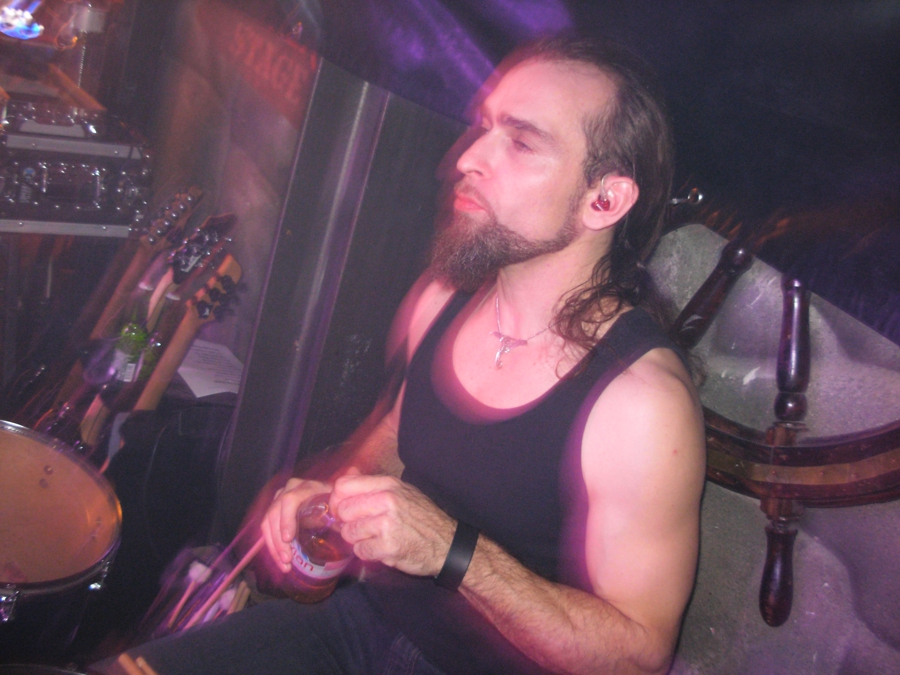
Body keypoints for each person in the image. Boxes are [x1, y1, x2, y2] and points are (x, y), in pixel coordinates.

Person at [111, 33, 705, 675]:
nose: (469, 157)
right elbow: (395, 433)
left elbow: (638, 655)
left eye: (522, 142)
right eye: (484, 127)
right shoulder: (441, 297)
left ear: (604, 200)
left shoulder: (639, 403)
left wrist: (452, 552)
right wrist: (331, 499)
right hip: (360, 623)